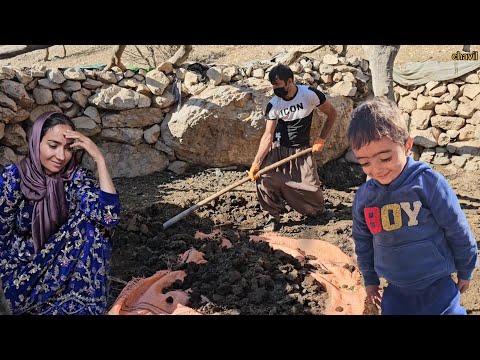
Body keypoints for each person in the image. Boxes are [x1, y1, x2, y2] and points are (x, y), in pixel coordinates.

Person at [348, 97, 478, 315]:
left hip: (437, 284)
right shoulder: (365, 197)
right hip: (395, 289)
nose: (377, 169)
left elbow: (456, 228)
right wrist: (370, 279)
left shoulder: (428, 183)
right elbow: (362, 240)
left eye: (385, 158)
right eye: (365, 163)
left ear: (407, 145)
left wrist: (466, 268)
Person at [0, 112, 120, 315]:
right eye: (53, 146)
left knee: (94, 225)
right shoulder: (14, 179)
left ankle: (81, 305)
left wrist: (99, 158)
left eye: (67, 148)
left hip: (64, 269)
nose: (61, 156)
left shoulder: (74, 178)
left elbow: (109, 217)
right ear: (35, 142)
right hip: (20, 275)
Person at [248, 63, 337, 231]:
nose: (275, 89)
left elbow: (332, 113)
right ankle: (272, 216)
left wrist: (321, 139)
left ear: (289, 81)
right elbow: (268, 135)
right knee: (264, 178)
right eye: (273, 85)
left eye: (278, 84)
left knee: (312, 189)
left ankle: (317, 212)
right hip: (279, 147)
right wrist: (256, 163)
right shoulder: (274, 105)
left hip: (301, 149)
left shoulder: (309, 95)